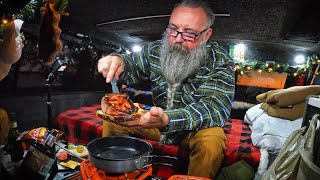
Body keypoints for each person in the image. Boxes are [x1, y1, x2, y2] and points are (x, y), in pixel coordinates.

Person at [97, 0, 235, 178]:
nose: (177, 39)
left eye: (189, 34)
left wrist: (169, 119)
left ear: (207, 35)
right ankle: (115, 174)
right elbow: (132, 65)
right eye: (172, 29)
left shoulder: (220, 61)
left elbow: (214, 108)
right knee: (113, 118)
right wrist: (118, 61)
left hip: (190, 130)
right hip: (157, 123)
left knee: (213, 140)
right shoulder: (155, 50)